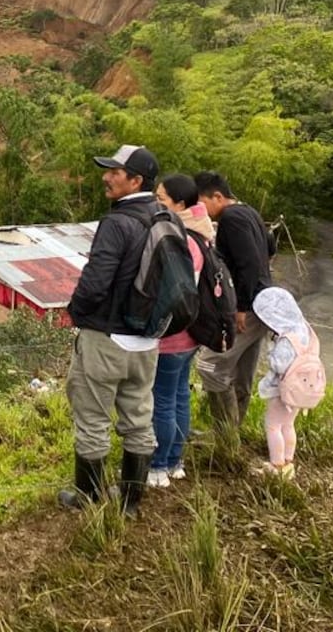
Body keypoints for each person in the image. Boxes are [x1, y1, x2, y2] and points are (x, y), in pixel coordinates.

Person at [58, 144, 163, 516]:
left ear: (135, 181)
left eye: (114, 172)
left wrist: (75, 313)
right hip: (147, 341)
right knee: (139, 418)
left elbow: (95, 282)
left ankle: (87, 499)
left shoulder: (118, 223)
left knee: (92, 419)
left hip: (107, 339)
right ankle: (131, 503)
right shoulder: (166, 218)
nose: (106, 177)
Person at [193, 171, 276, 434]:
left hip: (248, 306)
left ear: (217, 196)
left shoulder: (231, 218)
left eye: (201, 202)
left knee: (210, 365)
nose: (200, 210)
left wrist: (241, 307)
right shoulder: (249, 211)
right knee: (242, 371)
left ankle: (224, 432)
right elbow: (270, 247)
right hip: (263, 302)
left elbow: (248, 263)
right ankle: (231, 434)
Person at [148, 173, 213, 488]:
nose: (155, 202)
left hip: (172, 335)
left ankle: (158, 466)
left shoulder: (180, 239)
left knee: (162, 401)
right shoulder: (201, 233)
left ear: (180, 204)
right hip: (191, 333)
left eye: (161, 198)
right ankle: (175, 461)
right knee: (179, 397)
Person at [252, 287, 321, 478]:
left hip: (282, 391)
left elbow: (279, 365)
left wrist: (271, 351)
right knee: (288, 424)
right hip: (302, 390)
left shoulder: (288, 338)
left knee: (273, 425)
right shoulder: (306, 329)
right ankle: (288, 461)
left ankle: (277, 465)